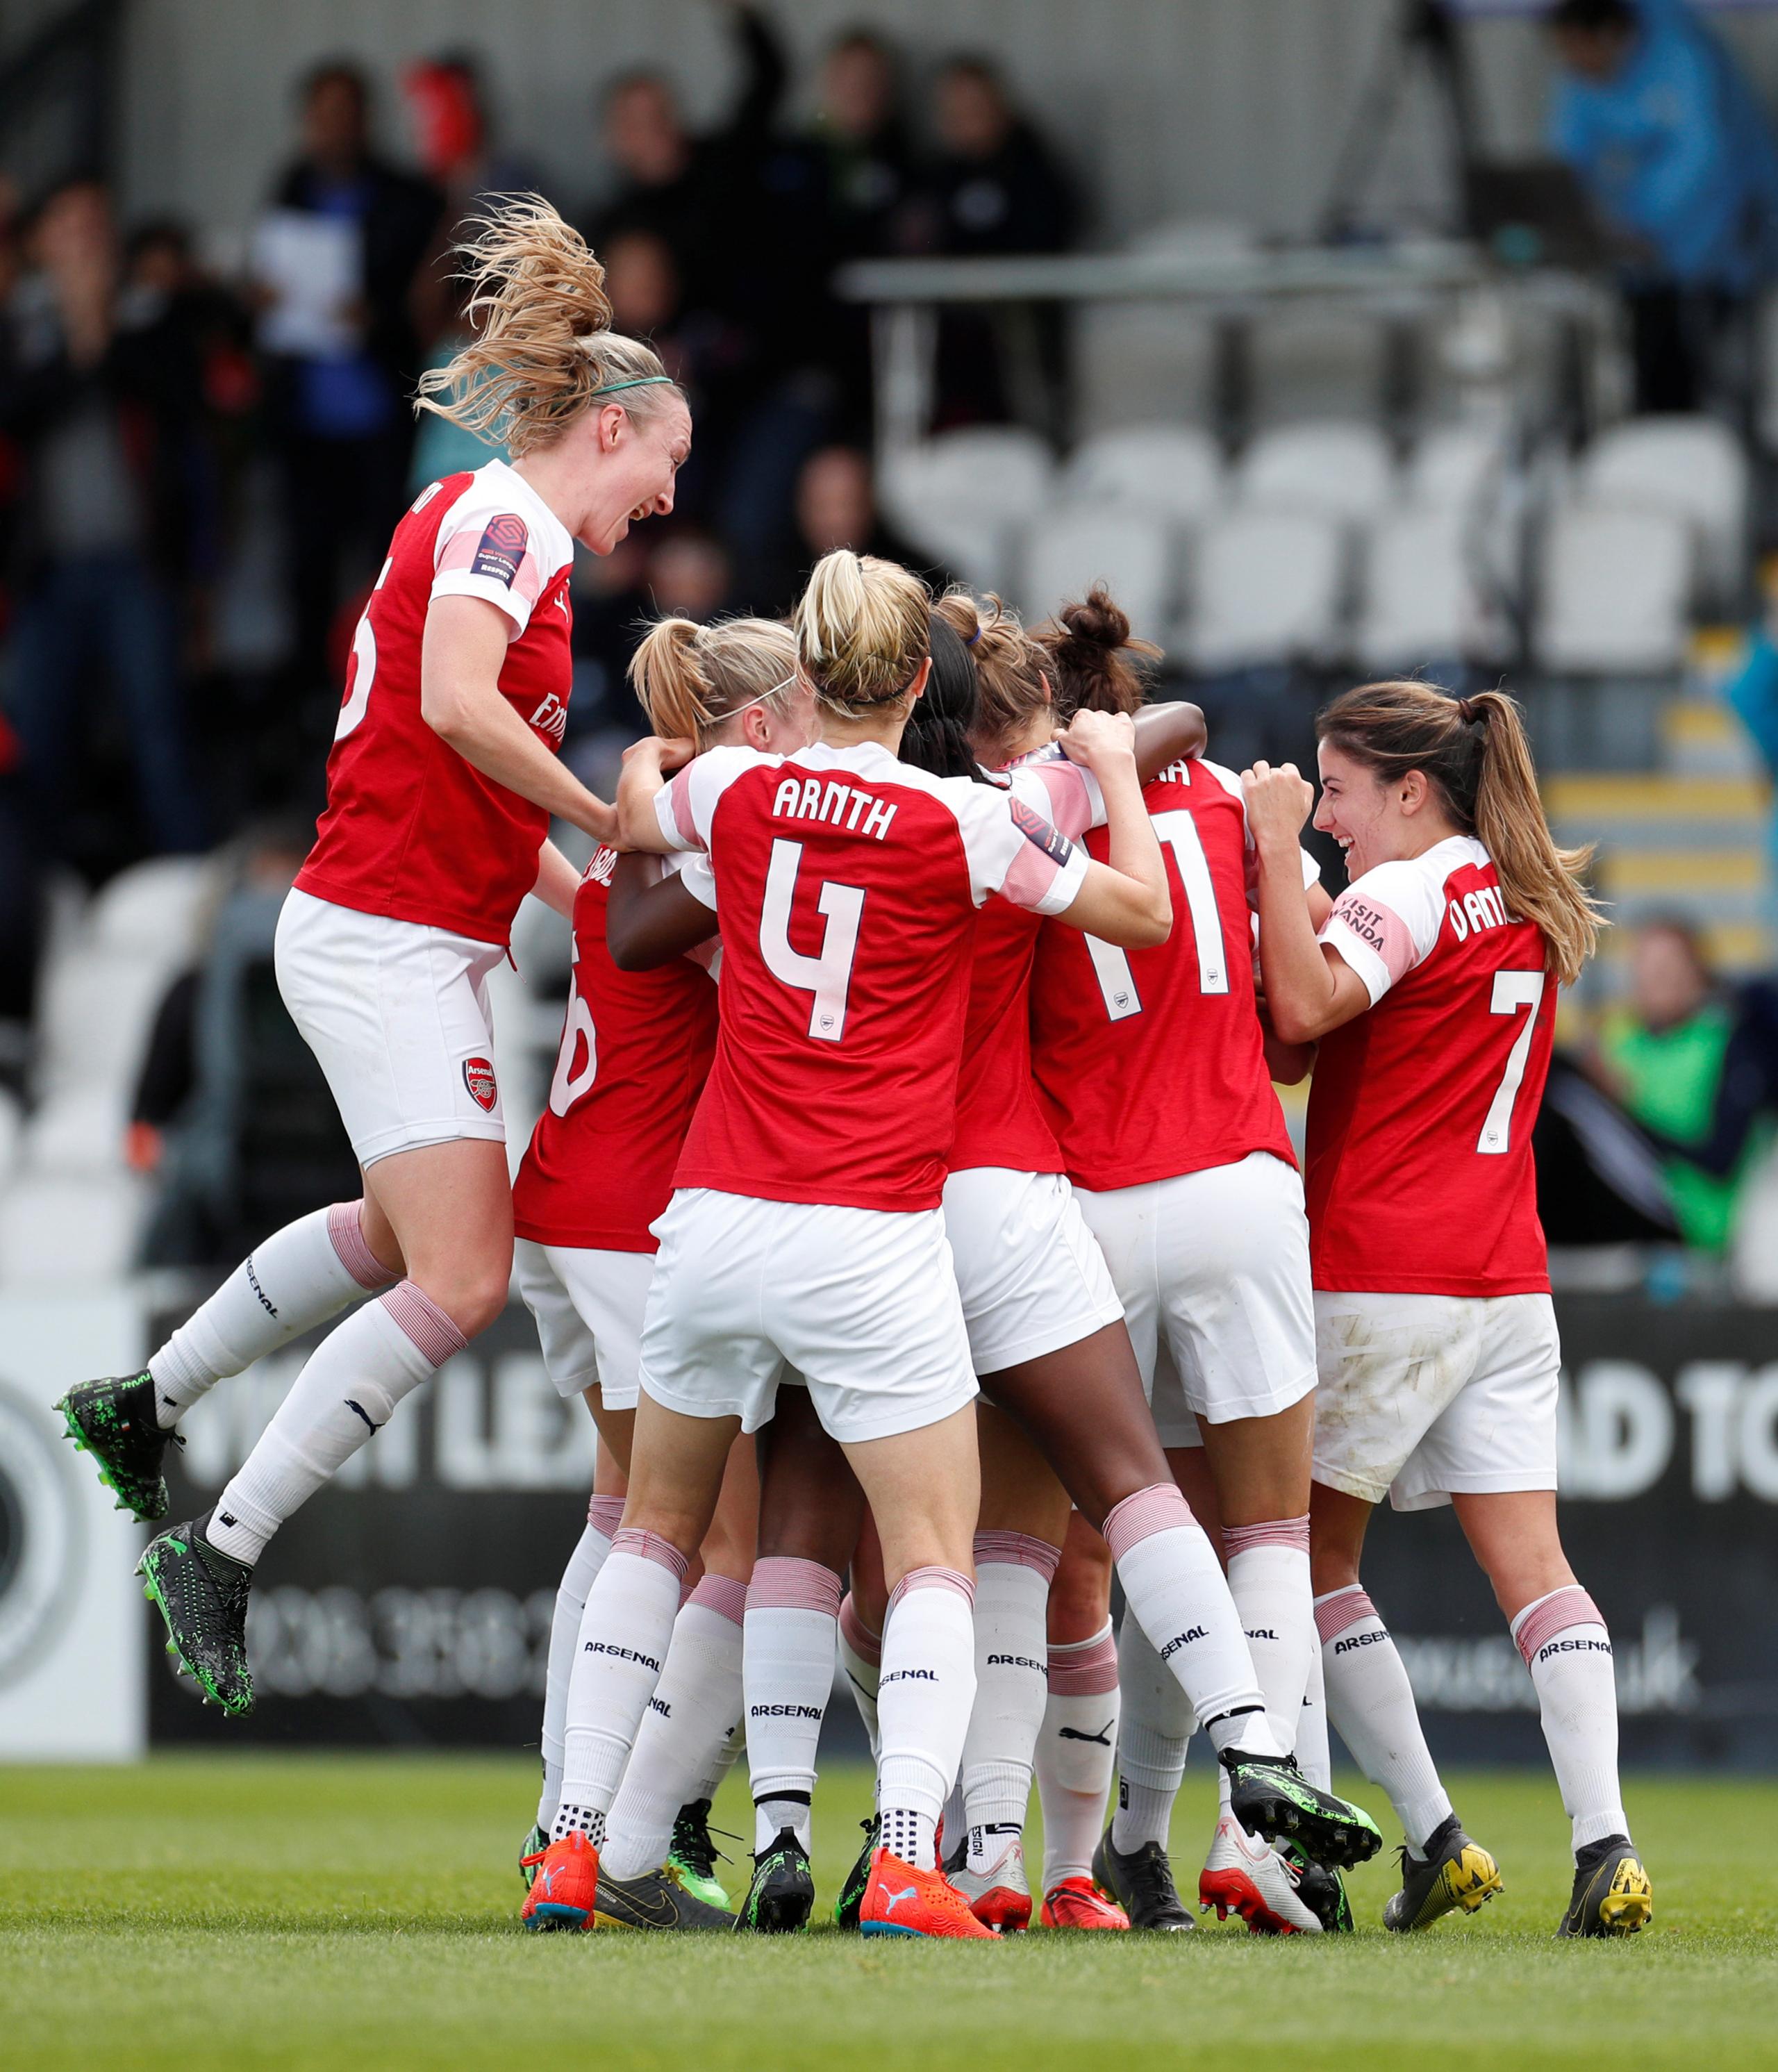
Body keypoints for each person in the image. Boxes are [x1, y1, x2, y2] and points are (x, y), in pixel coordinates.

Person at [522, 549, 1379, 1940]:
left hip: (722, 1211)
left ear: (803, 678)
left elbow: (636, 838)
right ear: (932, 676)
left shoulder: (738, 796)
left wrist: (659, 786)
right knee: (1015, 1528)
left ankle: (596, 1834)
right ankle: (1174, 1778)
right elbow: (1144, 868)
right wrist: (1103, 769)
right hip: (920, 1206)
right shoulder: (979, 822)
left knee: (687, 1530)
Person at [58, 199, 692, 1723]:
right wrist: (607, 811)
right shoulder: (498, 523)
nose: (660, 507)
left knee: (404, 1238)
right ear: (607, 428)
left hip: (419, 931)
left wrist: (587, 887)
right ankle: (220, 1540)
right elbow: (463, 709)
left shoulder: (505, 534)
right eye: (658, 472)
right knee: (465, 1273)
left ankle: (143, 1405)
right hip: (382, 935)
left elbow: (470, 771)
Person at [1244, 680, 1654, 1940]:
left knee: (1305, 1562)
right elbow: (1350, 1004)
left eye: (1341, 787)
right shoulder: (1510, 890)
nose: (1325, 813)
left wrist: (1266, 853)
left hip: (1382, 1269)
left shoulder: (1405, 890)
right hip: (1504, 1278)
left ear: (1412, 789)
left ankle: (1431, 1832)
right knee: (1536, 1572)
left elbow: (1304, 1012)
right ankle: (1607, 1844)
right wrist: (1304, 900)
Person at [1024, 586, 1343, 1937]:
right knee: (1262, 1537)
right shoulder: (1229, 800)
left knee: (1118, 1543)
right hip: (1234, 1182)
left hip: (1086, 1209)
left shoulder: (1012, 809)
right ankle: (1258, 1847)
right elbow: (1293, 1036)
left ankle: (1065, 1855)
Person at [512, 615, 815, 1930]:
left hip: (558, 1195)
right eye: (800, 707)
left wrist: (632, 793)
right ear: (758, 719)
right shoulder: (707, 846)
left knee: (618, 1514)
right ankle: (616, 1839)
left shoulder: (636, 837)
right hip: (636, 1215)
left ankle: (554, 1823)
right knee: (721, 1553)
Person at [0, 179, 210, 863]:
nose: (86, 239)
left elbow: (181, 406)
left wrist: (101, 331)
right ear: (39, 244)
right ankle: (40, 901)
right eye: (69, 226)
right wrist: (82, 340)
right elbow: (18, 413)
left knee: (161, 735)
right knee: (42, 736)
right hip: (47, 572)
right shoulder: (19, 327)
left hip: (138, 567)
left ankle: (185, 888)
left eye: (98, 224)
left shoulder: (153, 319)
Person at [259, 62, 443, 703]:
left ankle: (382, 703)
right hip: (305, 418)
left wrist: (380, 317)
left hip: (383, 418)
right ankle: (311, 710)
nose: (333, 127)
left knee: (388, 576)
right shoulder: (290, 187)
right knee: (306, 574)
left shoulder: (409, 196)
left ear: (366, 118)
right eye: (321, 113)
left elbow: (438, 305)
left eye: (345, 111)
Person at [1547, 0, 1778, 413]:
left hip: (1724, 219)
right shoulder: (1584, 69)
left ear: (1610, 36)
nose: (1575, 65)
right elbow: (1569, 152)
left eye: (1581, 52)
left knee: (1712, 359)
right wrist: (1575, 215)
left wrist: (1645, 226)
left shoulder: (1682, 57)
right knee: (1647, 350)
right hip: (1645, 245)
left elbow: (1702, 156)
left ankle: (1714, 441)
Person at [1595, 918, 1771, 1253]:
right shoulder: (1615, 1039)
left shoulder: (1728, 1044)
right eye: (1644, 965)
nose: (1654, 978)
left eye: (1666, 966)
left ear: (1696, 975)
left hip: (1695, 1222)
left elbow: (1720, 1161)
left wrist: (1622, 1109)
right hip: (1625, 1208)